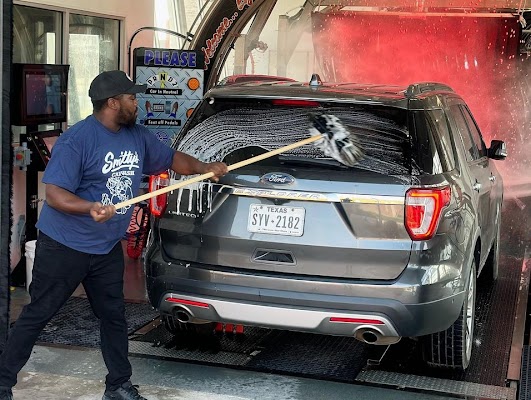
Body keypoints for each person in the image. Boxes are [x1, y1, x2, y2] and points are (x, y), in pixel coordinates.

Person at [0, 70, 227, 400]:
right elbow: (55, 196)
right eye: (132, 98)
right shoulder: (77, 140)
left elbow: (171, 159)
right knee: (38, 315)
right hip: (65, 245)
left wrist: (204, 166)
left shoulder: (137, 135)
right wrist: (90, 207)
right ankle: (3, 382)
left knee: (113, 317)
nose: (137, 103)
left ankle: (118, 385)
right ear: (112, 102)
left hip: (105, 247)